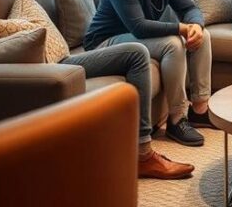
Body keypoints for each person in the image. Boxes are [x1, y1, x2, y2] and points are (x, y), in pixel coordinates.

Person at [84, 0, 212, 147]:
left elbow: (189, 8)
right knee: (173, 43)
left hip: (139, 40)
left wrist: (195, 25)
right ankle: (177, 119)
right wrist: (181, 28)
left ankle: (200, 110)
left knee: (203, 35)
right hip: (105, 43)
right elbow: (139, 26)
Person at [63, 42, 194, 179]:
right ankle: (143, 154)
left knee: (175, 43)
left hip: (64, 56)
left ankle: (196, 113)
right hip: (58, 63)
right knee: (137, 52)